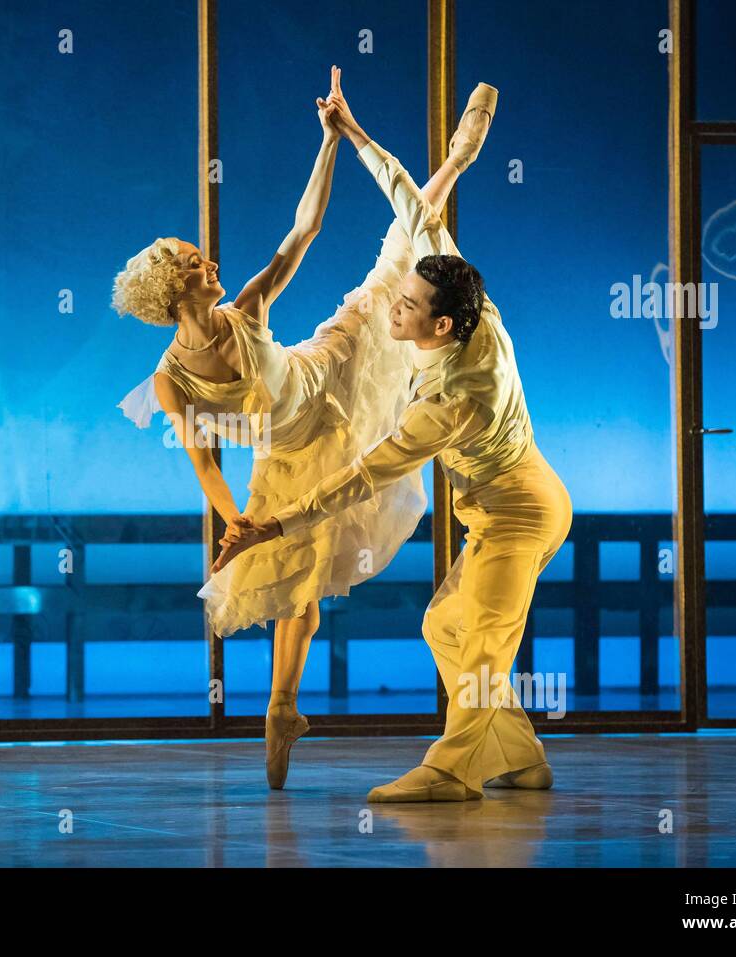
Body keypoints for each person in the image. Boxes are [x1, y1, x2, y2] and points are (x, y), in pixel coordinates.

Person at [113, 68, 494, 789]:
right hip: (295, 450)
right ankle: (282, 709)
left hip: (335, 368)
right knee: (298, 590)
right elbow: (205, 466)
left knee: (397, 262)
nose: (213, 263)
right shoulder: (170, 378)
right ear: (176, 290)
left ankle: (456, 160)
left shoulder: (247, 306)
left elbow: (304, 228)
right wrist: (237, 528)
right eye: (199, 263)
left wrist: (328, 141)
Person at [215, 77, 573, 802]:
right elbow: (411, 199)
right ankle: (521, 755)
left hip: (521, 512)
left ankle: (448, 771)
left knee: (482, 646)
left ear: (440, 326)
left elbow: (363, 475)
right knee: (443, 624)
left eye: (405, 306)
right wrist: (352, 130)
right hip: (498, 509)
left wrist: (275, 522)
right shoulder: (464, 298)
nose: (394, 307)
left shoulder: (453, 399)